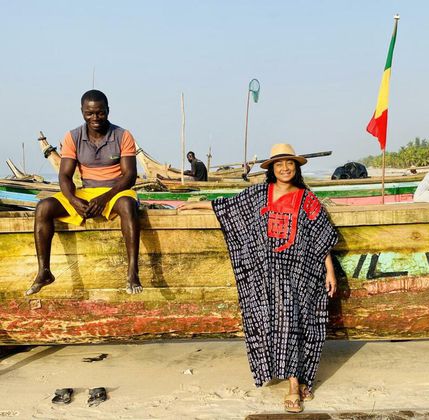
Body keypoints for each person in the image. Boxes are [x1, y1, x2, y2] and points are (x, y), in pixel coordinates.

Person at [179, 143, 338, 413]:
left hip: (300, 275)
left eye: (290, 164)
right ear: (272, 169)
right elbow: (228, 208)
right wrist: (193, 207)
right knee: (274, 325)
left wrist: (330, 271)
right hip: (266, 276)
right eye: (279, 164)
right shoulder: (259, 194)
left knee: (298, 325)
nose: (285, 168)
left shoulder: (307, 199)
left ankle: (294, 387)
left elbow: (321, 238)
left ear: (296, 168)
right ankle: (293, 381)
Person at [26, 90, 142, 296]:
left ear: (108, 111)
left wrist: (105, 197)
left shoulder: (123, 135)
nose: (95, 118)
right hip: (86, 191)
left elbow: (130, 176)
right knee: (43, 207)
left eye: (100, 113)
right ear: (82, 112)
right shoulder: (72, 137)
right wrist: (73, 199)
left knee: (127, 204)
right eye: (90, 113)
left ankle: (132, 272)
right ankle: (44, 271)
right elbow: (64, 176)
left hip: (116, 191)